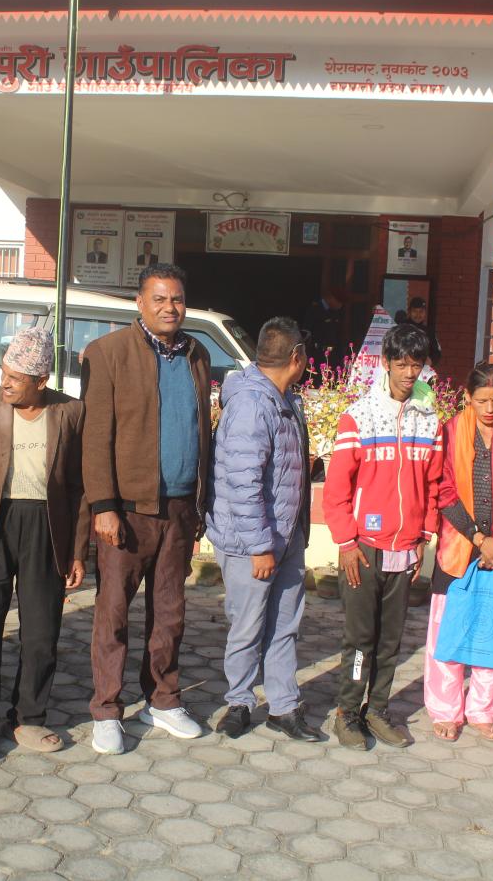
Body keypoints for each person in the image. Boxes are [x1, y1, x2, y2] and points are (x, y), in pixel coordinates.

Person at [82, 263, 212, 754]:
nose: (169, 308)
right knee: (113, 612)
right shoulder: (108, 352)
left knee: (170, 612)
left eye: (176, 299)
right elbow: (95, 437)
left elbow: (201, 427)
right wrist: (104, 506)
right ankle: (106, 708)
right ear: (139, 302)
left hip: (179, 507)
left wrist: (200, 503)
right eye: (159, 299)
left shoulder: (196, 353)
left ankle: (163, 699)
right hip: (126, 511)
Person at [0, 327, 88, 760]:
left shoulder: (70, 412)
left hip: (46, 527)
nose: (4, 383)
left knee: (41, 632)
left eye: (15, 378)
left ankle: (29, 716)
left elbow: (80, 488)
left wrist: (77, 551)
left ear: (41, 381)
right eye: (3, 373)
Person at [322, 323, 443, 750]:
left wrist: (422, 537)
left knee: (391, 641)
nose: (410, 373)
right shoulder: (359, 416)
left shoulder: (430, 420)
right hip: (364, 550)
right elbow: (336, 491)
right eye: (402, 364)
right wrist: (346, 543)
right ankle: (347, 713)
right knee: (360, 640)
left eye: (417, 365)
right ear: (386, 363)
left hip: (405, 550)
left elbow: (432, 486)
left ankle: (377, 711)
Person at [206, 317, 322, 741]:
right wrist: (259, 547)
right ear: (296, 357)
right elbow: (242, 483)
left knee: (284, 624)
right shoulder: (252, 404)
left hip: (286, 536)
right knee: (248, 626)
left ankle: (283, 706)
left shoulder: (284, 398)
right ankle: (238, 702)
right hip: (251, 543)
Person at [426, 362, 493, 743]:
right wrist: (477, 538)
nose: (490, 408)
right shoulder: (452, 430)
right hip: (460, 546)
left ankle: (483, 711)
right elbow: (443, 490)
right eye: (482, 401)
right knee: (448, 630)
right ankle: (446, 710)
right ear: (467, 397)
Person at [394, 298, 442, 364]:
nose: (418, 314)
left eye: (421, 311)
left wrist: (431, 360)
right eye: (415, 311)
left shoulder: (429, 331)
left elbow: (437, 352)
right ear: (409, 312)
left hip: (422, 368)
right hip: (403, 366)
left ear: (425, 313)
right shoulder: (400, 328)